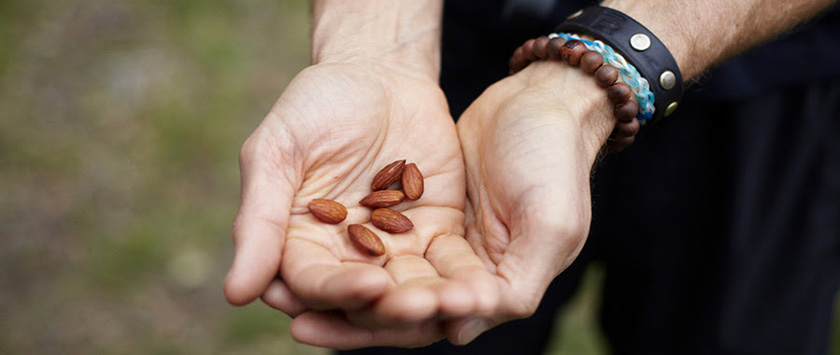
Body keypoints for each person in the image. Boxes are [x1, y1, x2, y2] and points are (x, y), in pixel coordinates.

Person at [224, 0, 840, 353]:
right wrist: (374, 47)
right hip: (448, 61)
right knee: (410, 320)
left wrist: (601, 71)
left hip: (762, 74)